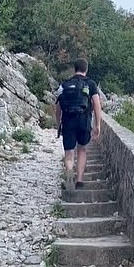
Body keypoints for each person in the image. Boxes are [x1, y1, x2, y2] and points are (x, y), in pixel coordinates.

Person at [55, 58, 102, 190]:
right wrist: (97, 125)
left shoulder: (64, 84)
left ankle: (69, 173)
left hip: (68, 120)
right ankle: (79, 180)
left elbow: (58, 107)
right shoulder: (91, 84)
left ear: (74, 69)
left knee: (69, 153)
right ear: (86, 69)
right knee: (81, 149)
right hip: (83, 120)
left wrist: (59, 124)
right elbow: (97, 105)